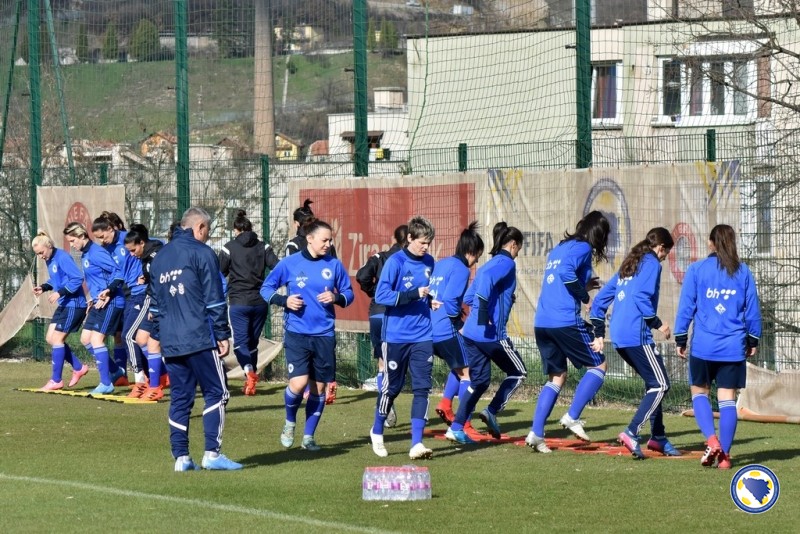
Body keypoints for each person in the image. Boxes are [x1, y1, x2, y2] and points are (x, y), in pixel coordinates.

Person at [149, 207, 242, 471]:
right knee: (217, 392)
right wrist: (222, 333)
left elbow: (154, 306)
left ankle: (181, 458)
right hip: (200, 337)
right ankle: (212, 454)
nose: (208, 237)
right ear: (199, 227)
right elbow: (214, 299)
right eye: (207, 231)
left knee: (180, 398)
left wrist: (160, 335)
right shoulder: (202, 253)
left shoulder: (160, 257)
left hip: (171, 340)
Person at [261, 218, 354, 451]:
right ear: (309, 239)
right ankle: (289, 423)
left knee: (319, 388)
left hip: (324, 334)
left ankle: (308, 437)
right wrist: (284, 300)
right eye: (324, 240)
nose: (328, 244)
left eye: (330, 240)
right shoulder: (290, 263)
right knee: (299, 382)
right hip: (297, 333)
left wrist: (336, 297)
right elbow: (265, 289)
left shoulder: (334, 265)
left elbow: (349, 293)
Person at [674, 224, 761, 470]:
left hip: (703, 346)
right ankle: (725, 456)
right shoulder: (743, 272)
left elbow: (686, 306)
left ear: (711, 243)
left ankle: (712, 441)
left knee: (699, 394)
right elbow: (752, 310)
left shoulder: (697, 269)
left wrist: (681, 338)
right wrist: (752, 339)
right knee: (727, 400)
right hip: (733, 347)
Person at [589, 227, 681, 459]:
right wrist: (658, 324)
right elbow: (640, 296)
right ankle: (632, 431)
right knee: (661, 385)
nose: (664, 258)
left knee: (653, 384)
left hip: (619, 337)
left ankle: (658, 437)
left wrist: (599, 332)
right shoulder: (651, 263)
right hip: (636, 335)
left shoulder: (630, 264)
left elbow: (599, 302)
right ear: (661, 248)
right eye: (666, 253)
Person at [527, 210, 610, 452]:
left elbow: (560, 279)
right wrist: (585, 297)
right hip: (564, 320)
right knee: (598, 365)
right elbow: (565, 273)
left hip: (542, 322)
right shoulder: (583, 247)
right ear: (598, 234)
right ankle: (572, 416)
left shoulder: (560, 248)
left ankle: (536, 433)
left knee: (557, 376)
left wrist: (583, 285)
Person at [445, 222, 525, 444]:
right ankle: (491, 410)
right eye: (519, 249)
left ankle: (456, 428)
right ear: (513, 245)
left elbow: (468, 297)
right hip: (490, 334)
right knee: (518, 372)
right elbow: (486, 285)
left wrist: (498, 303)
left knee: (479, 381)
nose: (518, 253)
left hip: (471, 334)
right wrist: (484, 315)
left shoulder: (487, 264)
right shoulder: (506, 263)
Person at [369, 216, 436, 459]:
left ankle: (417, 443)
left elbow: (427, 292)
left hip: (423, 335)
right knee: (392, 388)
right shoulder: (395, 262)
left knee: (422, 388)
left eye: (428, 243)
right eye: (422, 242)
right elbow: (381, 296)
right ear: (409, 238)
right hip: (396, 336)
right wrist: (412, 295)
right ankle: (377, 431)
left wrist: (431, 300)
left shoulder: (429, 262)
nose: (426, 247)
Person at [429, 221, 484, 439]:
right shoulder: (461, 269)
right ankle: (464, 424)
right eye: (477, 256)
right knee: (470, 372)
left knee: (459, 366)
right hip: (445, 329)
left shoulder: (442, 264)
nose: (476, 261)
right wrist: (458, 324)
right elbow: (451, 300)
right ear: (472, 251)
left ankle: (445, 404)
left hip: (429, 328)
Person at [219, 210, 279, 396]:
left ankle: (249, 372)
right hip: (260, 302)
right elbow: (277, 267)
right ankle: (250, 383)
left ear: (235, 230)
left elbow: (219, 272)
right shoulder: (263, 246)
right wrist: (270, 286)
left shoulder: (229, 248)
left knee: (240, 343)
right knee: (252, 343)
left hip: (238, 302)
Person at [355, 224, 408, 429]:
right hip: (397, 315)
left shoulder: (381, 257)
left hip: (378, 314)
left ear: (394, 238)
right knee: (403, 360)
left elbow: (361, 276)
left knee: (382, 362)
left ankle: (386, 405)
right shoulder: (408, 260)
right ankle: (395, 404)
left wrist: (373, 291)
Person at [63, 222, 125, 395]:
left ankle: (106, 383)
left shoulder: (97, 252)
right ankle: (115, 371)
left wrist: (109, 291)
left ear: (82, 236)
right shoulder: (85, 254)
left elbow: (118, 273)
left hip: (111, 301)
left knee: (97, 340)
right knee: (85, 339)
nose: (72, 245)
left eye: (73, 240)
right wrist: (92, 297)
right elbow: (98, 279)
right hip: (98, 301)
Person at [31, 232, 89, 390]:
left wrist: (60, 293)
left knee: (57, 339)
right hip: (65, 304)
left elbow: (77, 278)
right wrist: (44, 287)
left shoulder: (62, 257)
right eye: (37, 254)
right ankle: (78, 367)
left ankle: (56, 380)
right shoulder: (49, 259)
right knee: (51, 338)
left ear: (49, 246)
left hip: (74, 305)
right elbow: (57, 278)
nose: (40, 256)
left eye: (41, 252)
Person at [92, 212, 136, 387]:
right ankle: (121, 375)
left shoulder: (128, 239)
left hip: (133, 292)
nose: (101, 241)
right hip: (117, 294)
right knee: (119, 336)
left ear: (112, 228)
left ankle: (151, 375)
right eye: (98, 238)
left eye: (102, 236)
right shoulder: (105, 248)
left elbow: (153, 245)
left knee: (134, 336)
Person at [124, 224, 167, 401]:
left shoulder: (156, 256)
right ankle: (160, 378)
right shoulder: (146, 256)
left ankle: (151, 384)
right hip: (153, 299)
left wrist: (154, 307)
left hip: (157, 301)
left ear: (142, 243)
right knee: (142, 340)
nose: (132, 254)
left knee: (133, 338)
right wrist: (145, 278)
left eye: (133, 250)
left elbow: (161, 282)